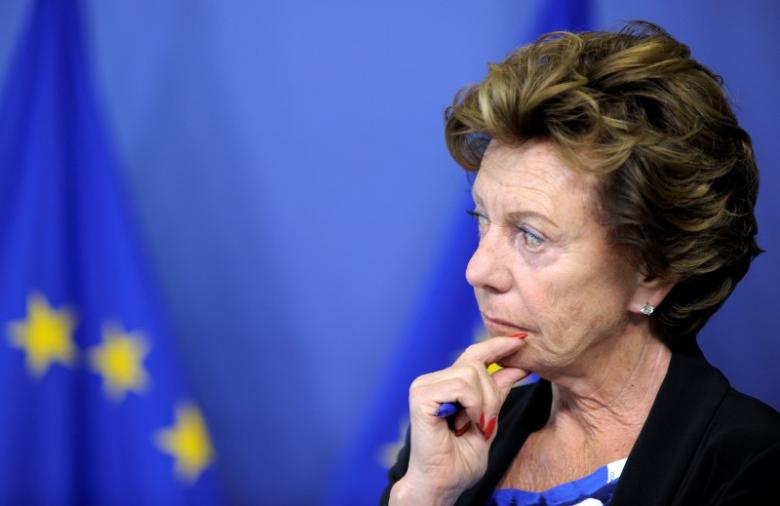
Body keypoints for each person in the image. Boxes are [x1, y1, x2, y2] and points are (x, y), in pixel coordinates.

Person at [381, 21, 780, 505]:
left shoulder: (750, 464)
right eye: (483, 219)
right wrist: (424, 496)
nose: (478, 271)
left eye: (532, 235)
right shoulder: (445, 445)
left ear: (652, 270)